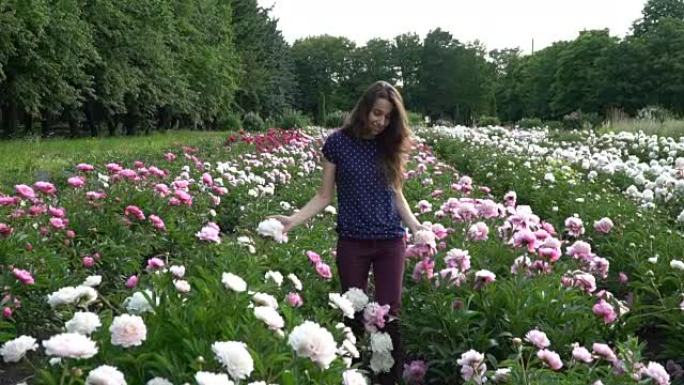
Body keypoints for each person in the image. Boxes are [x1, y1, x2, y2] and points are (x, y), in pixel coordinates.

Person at [270, 80, 425, 384]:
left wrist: (418, 228)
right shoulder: (337, 143)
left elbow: (396, 194)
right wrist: (292, 220)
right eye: (377, 113)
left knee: (388, 314)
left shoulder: (389, 145)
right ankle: (352, 373)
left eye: (388, 117)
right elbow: (324, 196)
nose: (381, 121)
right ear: (364, 109)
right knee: (351, 310)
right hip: (353, 242)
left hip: (390, 241)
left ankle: (386, 376)